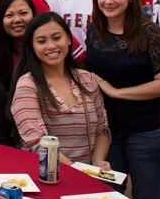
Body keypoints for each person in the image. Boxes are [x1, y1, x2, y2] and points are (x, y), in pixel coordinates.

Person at [86, 0, 160, 199]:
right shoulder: (94, 31)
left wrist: (116, 92)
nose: (108, 1)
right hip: (110, 133)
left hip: (149, 131)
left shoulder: (148, 32)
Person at [11, 12, 111, 168]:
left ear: (69, 39)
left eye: (57, 38)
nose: (51, 46)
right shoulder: (27, 85)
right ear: (32, 47)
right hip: (45, 177)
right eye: (41, 41)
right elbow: (37, 143)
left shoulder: (87, 79)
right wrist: (77, 173)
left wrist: (97, 163)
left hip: (87, 180)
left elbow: (102, 130)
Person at [0, 0, 36, 88]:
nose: (17, 20)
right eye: (9, 15)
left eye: (23, 13)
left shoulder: (45, 46)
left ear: (33, 14)